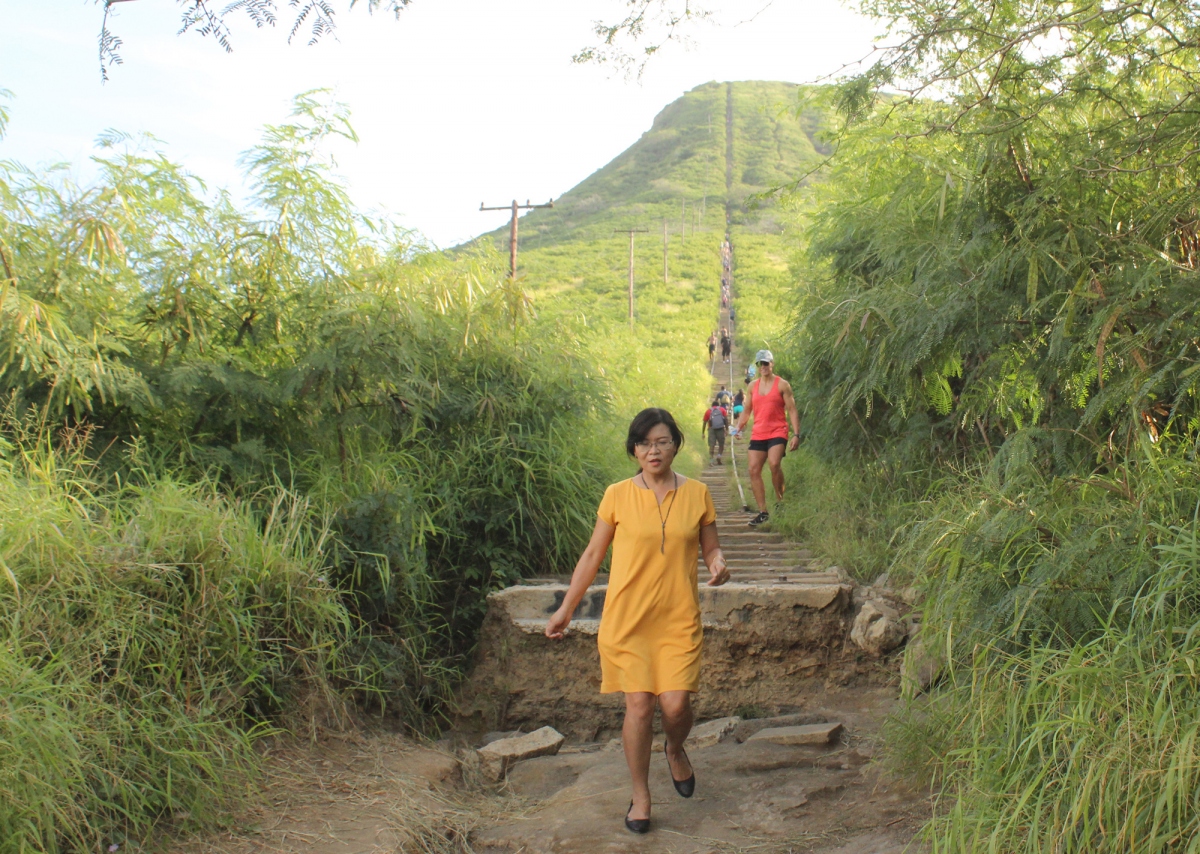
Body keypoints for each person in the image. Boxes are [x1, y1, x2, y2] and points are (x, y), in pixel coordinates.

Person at [546, 409, 730, 834]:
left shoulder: (699, 494)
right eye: (645, 443)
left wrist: (720, 565)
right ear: (634, 449)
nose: (654, 450)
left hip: (678, 618)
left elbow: (711, 550)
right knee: (640, 705)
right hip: (627, 620)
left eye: (662, 441)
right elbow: (592, 556)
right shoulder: (617, 495)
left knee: (676, 704)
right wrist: (566, 608)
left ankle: (676, 749)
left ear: (675, 446)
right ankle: (641, 795)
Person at [735, 350, 801, 527]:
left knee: (774, 464)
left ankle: (780, 499)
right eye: (760, 364)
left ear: (772, 364)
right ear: (757, 367)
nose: (763, 367)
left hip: (778, 431)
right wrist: (738, 428)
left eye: (766, 363)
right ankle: (763, 512)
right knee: (753, 469)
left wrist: (796, 434)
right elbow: (747, 410)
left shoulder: (782, 385)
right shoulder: (752, 387)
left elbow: (792, 409)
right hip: (759, 432)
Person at [702, 399, 728, 465]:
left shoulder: (708, 411)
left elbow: (704, 422)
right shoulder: (722, 410)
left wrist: (703, 433)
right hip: (721, 429)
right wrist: (727, 429)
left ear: (712, 405)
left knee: (712, 445)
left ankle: (711, 460)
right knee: (721, 444)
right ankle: (719, 456)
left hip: (711, 429)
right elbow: (726, 419)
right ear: (718, 405)